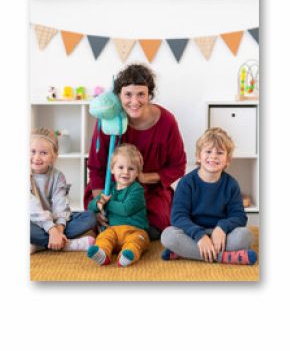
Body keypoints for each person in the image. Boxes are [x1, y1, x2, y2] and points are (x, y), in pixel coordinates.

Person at [84, 63, 186, 240]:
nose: (134, 101)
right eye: (128, 94)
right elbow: (96, 167)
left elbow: (178, 166)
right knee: (94, 219)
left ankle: (126, 233)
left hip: (149, 191)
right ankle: (117, 231)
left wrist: (145, 177)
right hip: (111, 189)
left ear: (149, 95)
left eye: (141, 94)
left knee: (159, 222)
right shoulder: (109, 122)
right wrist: (102, 203)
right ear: (119, 95)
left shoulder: (167, 121)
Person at [161, 127, 257, 265]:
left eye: (219, 152)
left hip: (220, 235)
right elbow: (178, 217)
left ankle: (184, 252)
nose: (213, 156)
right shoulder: (187, 182)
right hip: (192, 234)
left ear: (227, 160)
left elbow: (239, 216)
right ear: (199, 157)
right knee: (168, 236)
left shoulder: (231, 184)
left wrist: (222, 228)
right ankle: (224, 257)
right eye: (208, 151)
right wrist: (199, 236)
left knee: (245, 236)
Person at [30, 128, 97, 254]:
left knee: (90, 217)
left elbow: (60, 204)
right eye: (32, 151)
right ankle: (67, 245)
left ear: (54, 156)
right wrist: (51, 230)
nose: (37, 157)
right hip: (33, 220)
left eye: (43, 153)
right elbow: (33, 208)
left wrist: (59, 229)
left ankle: (42, 244)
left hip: (54, 221)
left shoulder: (58, 176)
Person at [87, 143, 149, 267]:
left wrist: (106, 203)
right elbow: (91, 206)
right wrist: (99, 203)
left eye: (131, 169)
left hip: (134, 230)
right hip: (113, 230)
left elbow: (125, 209)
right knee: (103, 237)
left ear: (137, 172)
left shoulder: (137, 190)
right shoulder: (108, 189)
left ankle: (127, 256)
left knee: (136, 241)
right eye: (120, 167)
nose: (125, 172)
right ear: (112, 169)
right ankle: (103, 254)